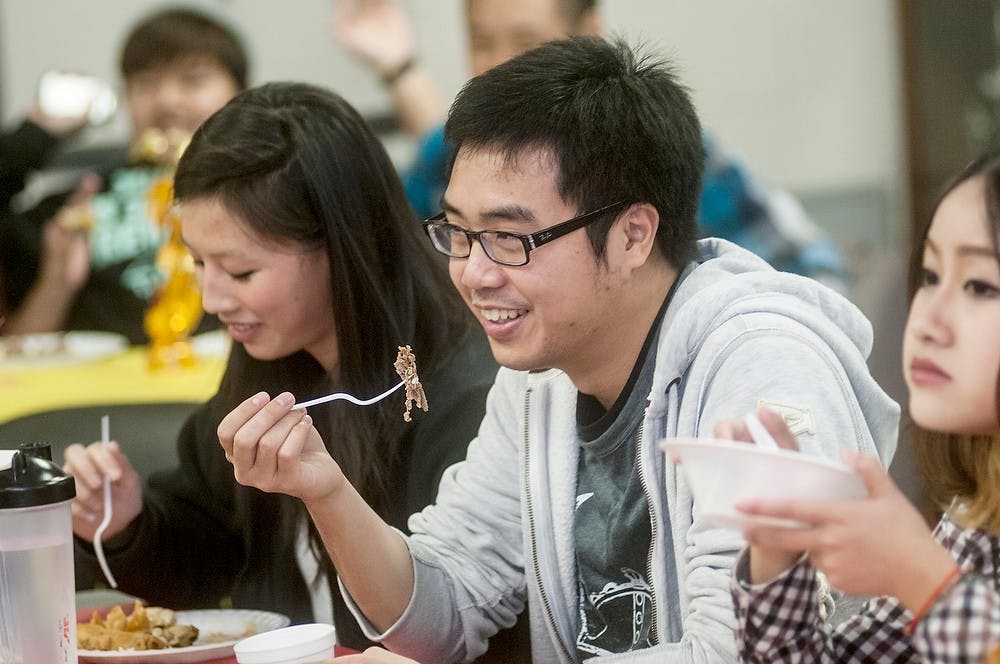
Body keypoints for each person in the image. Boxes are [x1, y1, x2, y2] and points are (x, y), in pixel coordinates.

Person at [216, 38, 898, 663]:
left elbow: (736, 655)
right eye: (456, 231)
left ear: (633, 235)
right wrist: (326, 490)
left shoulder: (761, 366)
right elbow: (445, 611)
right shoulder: (541, 375)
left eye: (509, 238)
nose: (474, 274)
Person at [63, 81, 498, 653]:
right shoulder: (271, 356)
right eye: (197, 262)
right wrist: (128, 525)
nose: (213, 299)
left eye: (240, 272)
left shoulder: (456, 386)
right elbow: (210, 558)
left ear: (341, 247)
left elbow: (453, 616)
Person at [332, 0, 850, 293]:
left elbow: (815, 277)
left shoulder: (653, 150)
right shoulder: (446, 160)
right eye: (482, 41)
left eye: (525, 39)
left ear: (590, 31)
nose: (501, 63)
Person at [727, 149, 1000, 662]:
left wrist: (923, 579)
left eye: (980, 285)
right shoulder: (977, 518)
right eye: (930, 275)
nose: (926, 321)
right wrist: (778, 552)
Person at [0, 7, 245, 341]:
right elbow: (20, 351)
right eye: (145, 83)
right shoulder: (77, 207)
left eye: (193, 79)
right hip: (99, 388)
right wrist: (37, 133)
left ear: (242, 92)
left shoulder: (267, 190)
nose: (167, 100)